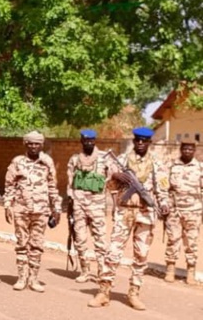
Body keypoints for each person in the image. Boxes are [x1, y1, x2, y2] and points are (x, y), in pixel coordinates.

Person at [89, 127, 169, 310]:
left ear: (149, 142)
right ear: (134, 141)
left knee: (141, 256)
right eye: (138, 140)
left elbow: (162, 190)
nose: (140, 143)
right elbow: (106, 184)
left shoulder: (157, 163)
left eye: (144, 140)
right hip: (124, 212)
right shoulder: (122, 159)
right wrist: (115, 176)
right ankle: (103, 292)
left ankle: (134, 293)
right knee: (113, 253)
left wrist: (164, 204)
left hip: (146, 214)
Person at [3, 131, 61, 293]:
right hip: (21, 209)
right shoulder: (17, 162)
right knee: (22, 244)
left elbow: (52, 187)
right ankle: (21, 277)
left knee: (37, 244)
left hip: (41, 211)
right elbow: (9, 186)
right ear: (25, 145)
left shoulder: (47, 162)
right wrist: (8, 205)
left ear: (41, 145)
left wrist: (56, 208)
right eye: (30, 144)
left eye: (37, 144)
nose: (33, 146)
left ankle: (33, 278)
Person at [66, 129, 112, 283]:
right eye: (85, 140)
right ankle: (85, 271)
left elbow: (113, 177)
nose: (89, 143)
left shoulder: (105, 158)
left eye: (91, 140)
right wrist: (71, 200)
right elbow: (70, 182)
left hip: (97, 205)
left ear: (95, 141)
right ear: (81, 141)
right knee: (80, 238)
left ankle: (101, 272)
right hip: (79, 205)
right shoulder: (74, 159)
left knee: (100, 239)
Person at [164, 140, 201, 285]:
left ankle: (190, 271)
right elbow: (164, 187)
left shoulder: (200, 168)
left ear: (194, 151)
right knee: (173, 240)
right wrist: (165, 204)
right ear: (181, 149)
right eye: (184, 149)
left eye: (190, 149)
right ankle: (170, 269)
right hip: (175, 210)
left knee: (191, 242)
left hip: (194, 211)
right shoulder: (171, 166)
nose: (187, 151)